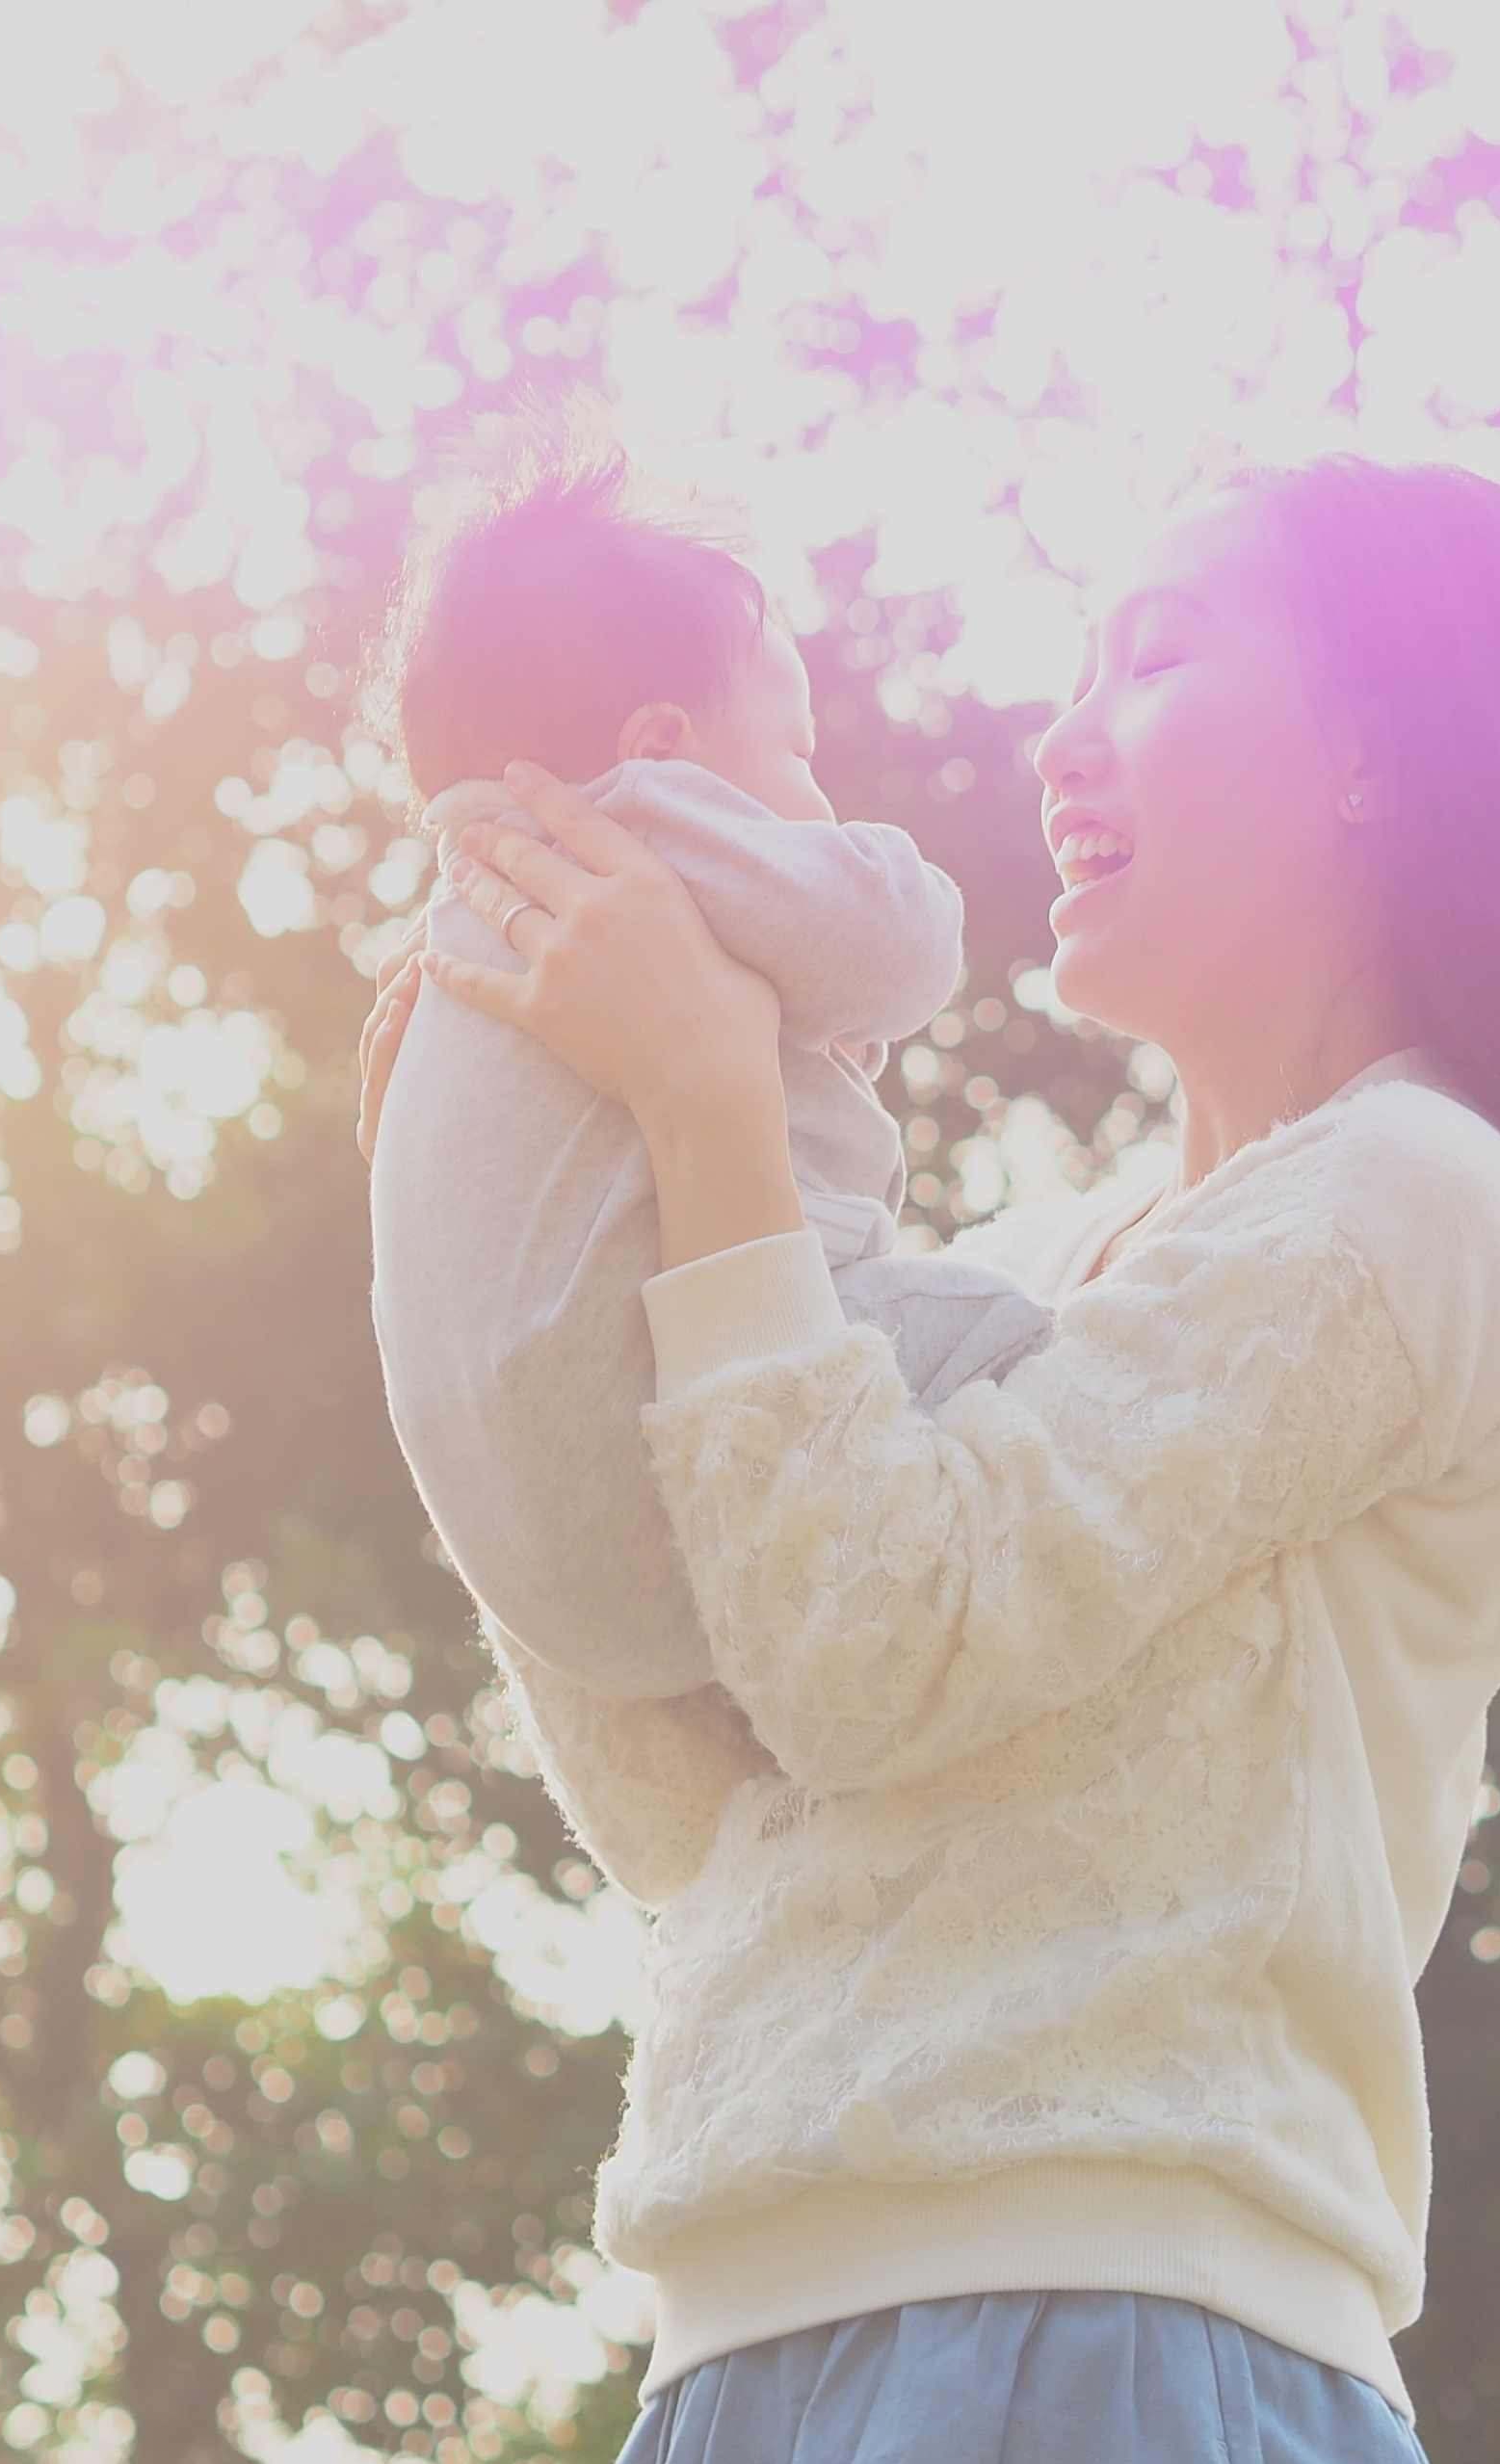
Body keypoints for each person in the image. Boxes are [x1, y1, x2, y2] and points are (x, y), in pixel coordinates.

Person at [357, 456, 1500, 2464]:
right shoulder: (1025, 1279)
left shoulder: (1410, 1200)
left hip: (1105, 2350)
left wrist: (704, 1106)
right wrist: (510, 1240)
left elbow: (871, 1655)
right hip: (742, 2373)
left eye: (1154, 658)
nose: (1061, 737)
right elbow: (682, 1796)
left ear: (1373, 751)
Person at [370, 450, 1049, 1703]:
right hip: (690, 1479)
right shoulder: (636, 814)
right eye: (798, 752)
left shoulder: (457, 931)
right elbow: (897, 950)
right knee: (1018, 1330)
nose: (815, 799)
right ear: (663, 748)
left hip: (548, 1584)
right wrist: (886, 891)